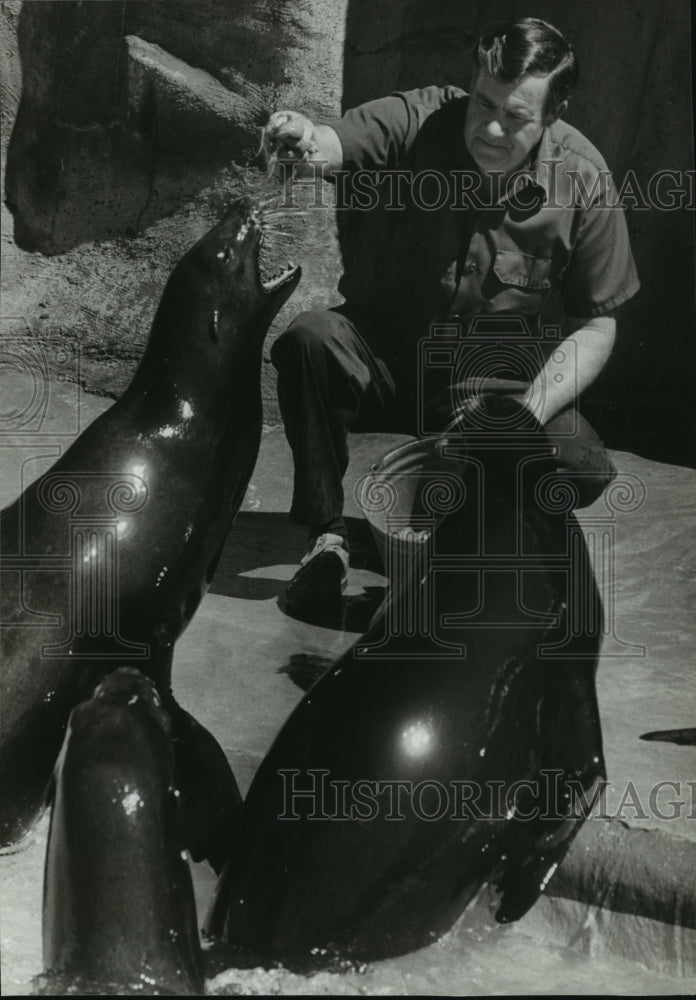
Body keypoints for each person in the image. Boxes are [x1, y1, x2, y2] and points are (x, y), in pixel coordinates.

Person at [263, 16, 640, 617]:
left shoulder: (584, 178)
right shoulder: (420, 118)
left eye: (515, 116)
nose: (490, 128)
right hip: (383, 356)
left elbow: (598, 324)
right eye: (484, 103)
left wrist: (527, 412)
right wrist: (302, 139)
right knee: (311, 339)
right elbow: (333, 143)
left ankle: (482, 539)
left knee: (579, 464)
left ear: (553, 111)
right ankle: (327, 539)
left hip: (489, 385)